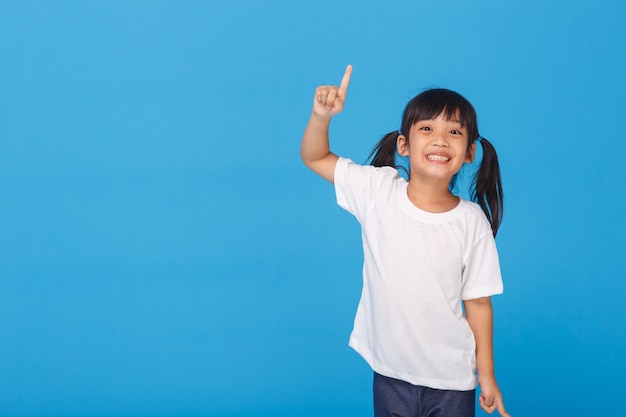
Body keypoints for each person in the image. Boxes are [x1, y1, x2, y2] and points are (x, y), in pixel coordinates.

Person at [300, 65, 511, 417]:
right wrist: (321, 116)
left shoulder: (471, 222)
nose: (440, 140)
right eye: (427, 128)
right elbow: (315, 156)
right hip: (390, 374)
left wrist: (486, 375)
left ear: (470, 153)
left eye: (454, 132)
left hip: (451, 380)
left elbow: (478, 303)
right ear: (404, 144)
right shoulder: (376, 191)